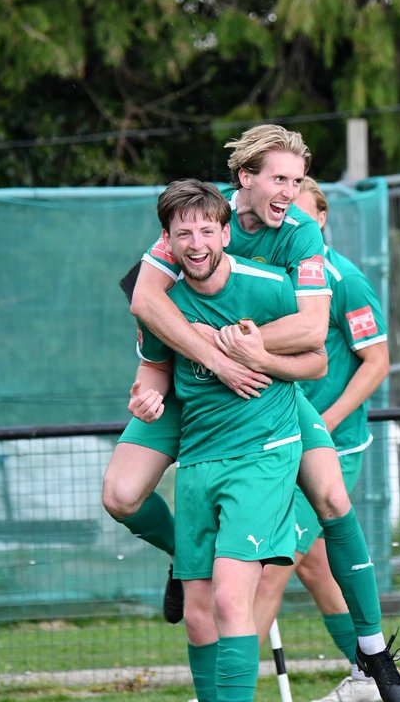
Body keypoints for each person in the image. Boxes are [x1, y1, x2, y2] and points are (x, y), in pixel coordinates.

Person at [103, 124, 400, 702]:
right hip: (198, 388)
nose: (291, 194)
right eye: (280, 180)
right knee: (120, 496)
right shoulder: (199, 221)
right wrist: (207, 359)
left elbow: (313, 333)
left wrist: (240, 348)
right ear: (244, 179)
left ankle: (373, 654)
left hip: (262, 393)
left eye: (298, 182)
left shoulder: (298, 234)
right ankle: (183, 556)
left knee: (331, 500)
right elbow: (145, 301)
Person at [130, 179, 323, 702]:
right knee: (197, 617)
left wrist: (261, 358)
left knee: (231, 599)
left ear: (225, 233)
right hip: (197, 461)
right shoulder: (162, 307)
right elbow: (152, 375)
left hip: (261, 456)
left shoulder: (270, 287)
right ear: (167, 241)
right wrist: (146, 399)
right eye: (183, 234)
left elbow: (317, 359)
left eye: (206, 231)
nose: (196, 244)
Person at [251, 178, 392, 702]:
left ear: (323, 219)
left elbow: (377, 362)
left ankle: (225, 692)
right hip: (278, 440)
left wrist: (327, 421)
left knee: (269, 569)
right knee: (311, 565)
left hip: (331, 447)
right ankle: (366, 677)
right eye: (284, 213)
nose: (291, 224)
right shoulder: (273, 272)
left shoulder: (345, 280)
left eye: (302, 213)